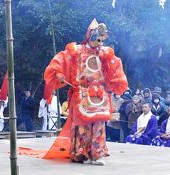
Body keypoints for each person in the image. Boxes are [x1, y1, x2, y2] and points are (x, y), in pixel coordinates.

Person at [40, 19, 128, 165]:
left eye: (102, 39)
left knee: (99, 123)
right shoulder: (77, 51)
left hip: (99, 92)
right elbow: (61, 60)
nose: (100, 42)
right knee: (82, 125)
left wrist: (115, 80)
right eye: (98, 38)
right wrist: (58, 72)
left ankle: (97, 154)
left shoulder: (104, 53)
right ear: (90, 35)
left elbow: (114, 67)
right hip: (82, 91)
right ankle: (82, 154)